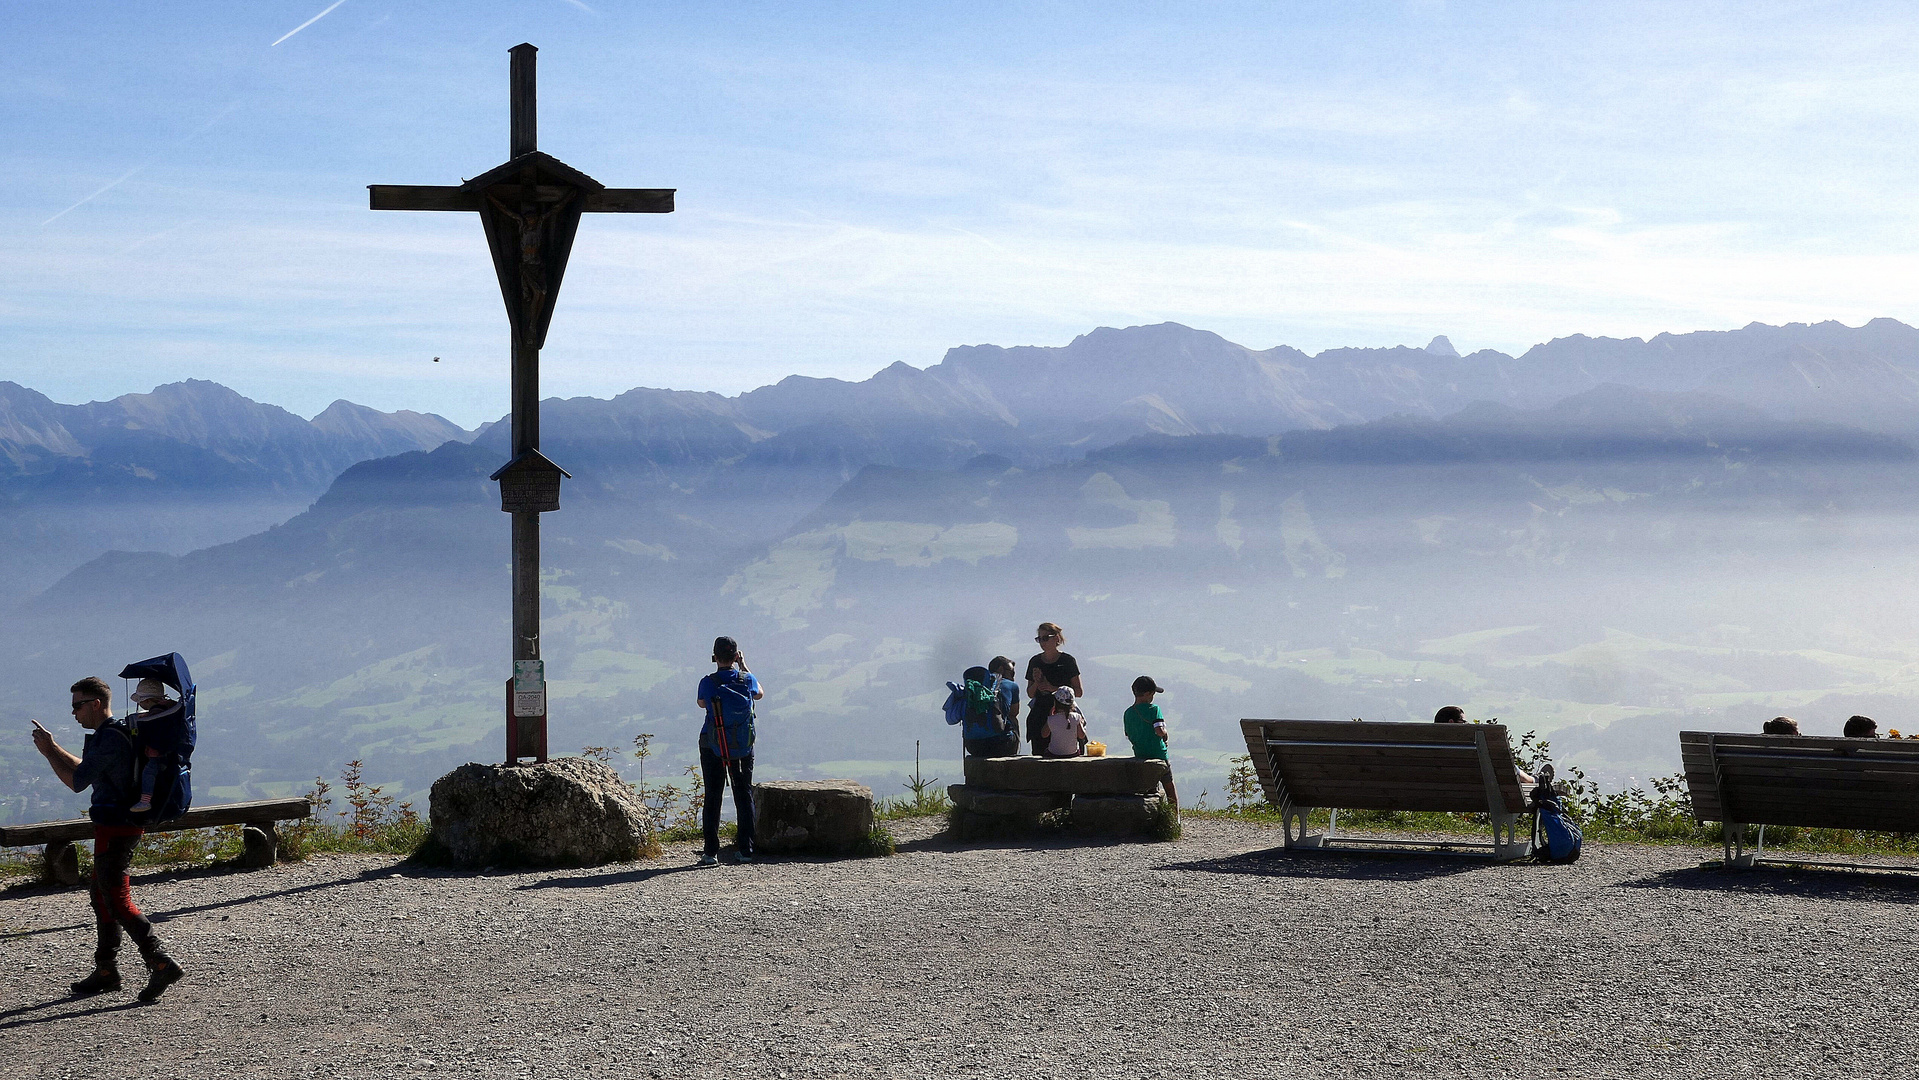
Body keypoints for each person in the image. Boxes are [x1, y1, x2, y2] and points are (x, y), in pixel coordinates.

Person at [29, 677, 185, 1001]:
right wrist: (54, 746)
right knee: (102, 897)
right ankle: (106, 970)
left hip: (117, 827)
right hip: (113, 826)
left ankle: (159, 962)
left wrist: (48, 752)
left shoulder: (111, 739)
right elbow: (87, 771)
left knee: (116, 899)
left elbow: (75, 781)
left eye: (77, 705)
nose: (73, 712)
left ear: (95, 704)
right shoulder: (109, 736)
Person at [695, 637, 763, 866]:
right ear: (736, 656)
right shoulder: (746, 679)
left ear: (714, 657)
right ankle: (746, 850)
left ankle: (711, 853)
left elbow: (702, 703)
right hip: (742, 745)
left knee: (713, 795)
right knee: (743, 795)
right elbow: (760, 693)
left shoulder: (708, 682)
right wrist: (744, 666)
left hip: (712, 743)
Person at [1024, 623, 1083, 755]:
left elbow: (1078, 692)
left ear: (1056, 638)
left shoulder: (1068, 661)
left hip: (1064, 714)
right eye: (1039, 639)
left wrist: (1052, 688)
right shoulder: (1035, 661)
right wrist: (1037, 684)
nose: (1042, 642)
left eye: (1046, 638)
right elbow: (1030, 693)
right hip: (1040, 715)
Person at [1122, 675, 1179, 810]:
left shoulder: (1128, 713)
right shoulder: (1154, 710)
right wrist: (1165, 733)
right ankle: (1174, 818)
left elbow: (1128, 734)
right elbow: (1159, 730)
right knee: (1169, 788)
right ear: (1147, 694)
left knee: (1148, 789)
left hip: (1140, 755)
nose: (1153, 696)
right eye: (1153, 693)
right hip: (1159, 755)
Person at [126, 678, 178, 815]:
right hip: (169, 752)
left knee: (148, 773)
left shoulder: (156, 711)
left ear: (147, 700)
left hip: (157, 753)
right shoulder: (169, 707)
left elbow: (152, 721)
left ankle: (145, 800)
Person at [948, 663, 1020, 757]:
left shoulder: (970, 690)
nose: (1013, 677)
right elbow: (1014, 712)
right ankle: (1013, 754)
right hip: (1001, 745)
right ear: (1001, 669)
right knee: (1013, 719)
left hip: (973, 746)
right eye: (1012, 673)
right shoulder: (1011, 685)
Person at [1042, 687, 1086, 758]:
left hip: (1054, 754)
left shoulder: (1052, 719)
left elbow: (1044, 734)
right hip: (1072, 753)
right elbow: (1081, 735)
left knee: (1046, 751)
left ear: (1056, 703)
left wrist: (1050, 716)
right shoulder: (1077, 717)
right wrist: (1081, 722)